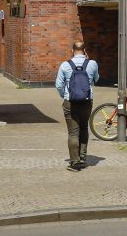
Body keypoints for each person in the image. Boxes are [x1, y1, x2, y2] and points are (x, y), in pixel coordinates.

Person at [55, 41, 99, 172]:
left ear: (72, 50)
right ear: (85, 50)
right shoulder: (92, 64)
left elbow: (58, 85)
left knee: (73, 132)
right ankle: (83, 157)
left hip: (71, 102)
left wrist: (66, 95)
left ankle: (75, 163)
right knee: (84, 127)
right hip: (87, 101)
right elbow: (96, 79)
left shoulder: (65, 65)